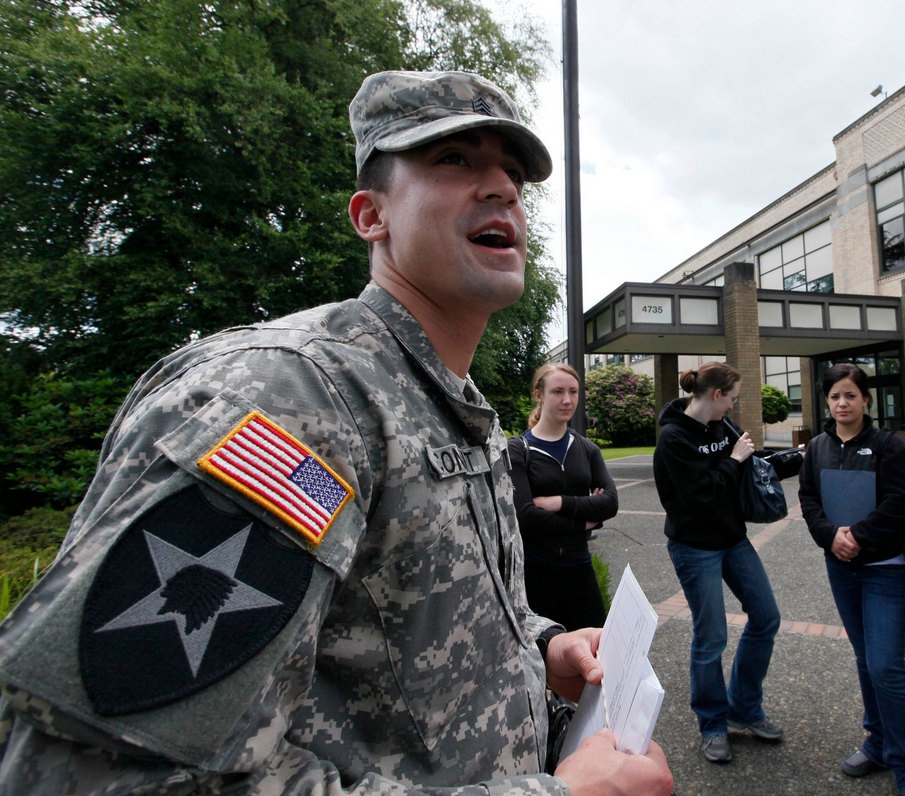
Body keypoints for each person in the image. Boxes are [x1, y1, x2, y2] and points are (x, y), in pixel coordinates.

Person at [0, 69, 672, 796]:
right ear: (370, 216)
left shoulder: (451, 402)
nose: (502, 187)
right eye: (454, 160)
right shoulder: (294, 401)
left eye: (511, 172)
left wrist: (538, 646)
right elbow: (104, 773)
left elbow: (383, 630)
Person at [652, 361, 801, 764]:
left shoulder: (724, 427)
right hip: (694, 546)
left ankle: (745, 707)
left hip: (732, 539)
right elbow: (698, 498)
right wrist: (733, 461)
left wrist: (800, 456)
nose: (733, 407)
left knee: (766, 616)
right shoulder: (673, 439)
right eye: (731, 398)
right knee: (712, 635)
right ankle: (713, 723)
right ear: (716, 395)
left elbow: (754, 464)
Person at [797, 363, 905, 796]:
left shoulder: (889, 446)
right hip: (842, 567)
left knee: (886, 665)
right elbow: (809, 498)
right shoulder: (817, 447)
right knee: (863, 658)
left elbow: (902, 500)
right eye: (835, 396)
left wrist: (859, 536)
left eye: (850, 395)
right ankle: (878, 744)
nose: (842, 403)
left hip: (886, 570)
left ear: (866, 400)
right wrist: (831, 536)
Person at [509, 362, 617, 631]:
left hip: (579, 570)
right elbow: (526, 517)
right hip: (535, 574)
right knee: (543, 661)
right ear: (539, 395)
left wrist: (559, 503)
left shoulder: (587, 449)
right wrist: (582, 522)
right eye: (557, 391)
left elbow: (610, 503)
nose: (567, 400)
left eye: (573, 392)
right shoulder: (518, 450)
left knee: (597, 655)